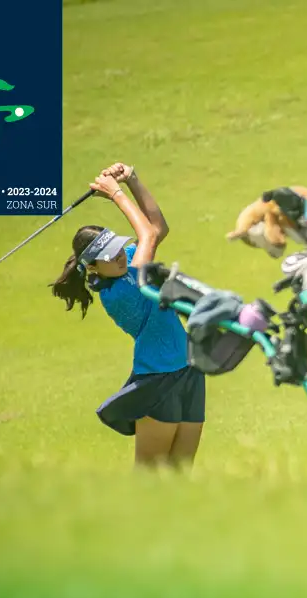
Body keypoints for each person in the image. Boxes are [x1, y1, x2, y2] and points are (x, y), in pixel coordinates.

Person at [49, 163, 204, 468]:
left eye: (117, 248)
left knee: (180, 473)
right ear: (92, 267)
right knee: (149, 475)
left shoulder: (130, 260)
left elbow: (157, 229)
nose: (118, 256)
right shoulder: (116, 293)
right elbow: (147, 235)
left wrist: (132, 179)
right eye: (107, 256)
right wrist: (115, 194)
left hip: (190, 370)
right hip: (157, 379)